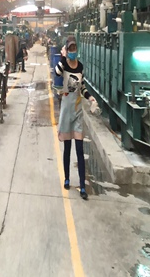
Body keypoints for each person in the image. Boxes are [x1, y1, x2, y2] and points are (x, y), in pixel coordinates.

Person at [54, 35, 97, 200]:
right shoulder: (64, 65)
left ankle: (83, 186)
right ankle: (66, 178)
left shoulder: (81, 67)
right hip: (66, 111)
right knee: (67, 148)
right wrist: (63, 57)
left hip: (77, 111)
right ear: (67, 49)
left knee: (79, 150)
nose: (73, 51)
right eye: (70, 48)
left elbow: (82, 87)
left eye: (74, 48)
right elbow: (57, 73)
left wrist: (90, 97)